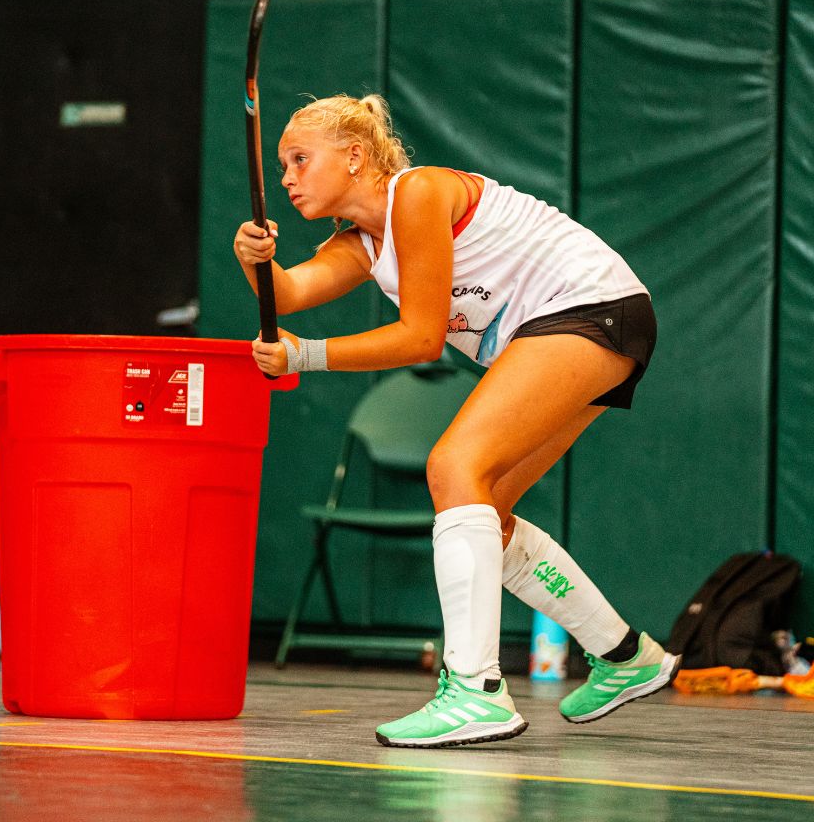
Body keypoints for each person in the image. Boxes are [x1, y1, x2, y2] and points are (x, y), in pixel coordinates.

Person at [232, 93, 681, 748]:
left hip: (587, 308)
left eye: (300, 159)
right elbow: (290, 293)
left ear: (355, 156)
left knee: (452, 465)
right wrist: (257, 263)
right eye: (282, 166)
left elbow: (420, 338)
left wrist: (305, 355)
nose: (287, 178)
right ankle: (622, 656)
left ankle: (475, 691)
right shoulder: (361, 242)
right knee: (486, 513)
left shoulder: (416, 195)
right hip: (596, 322)